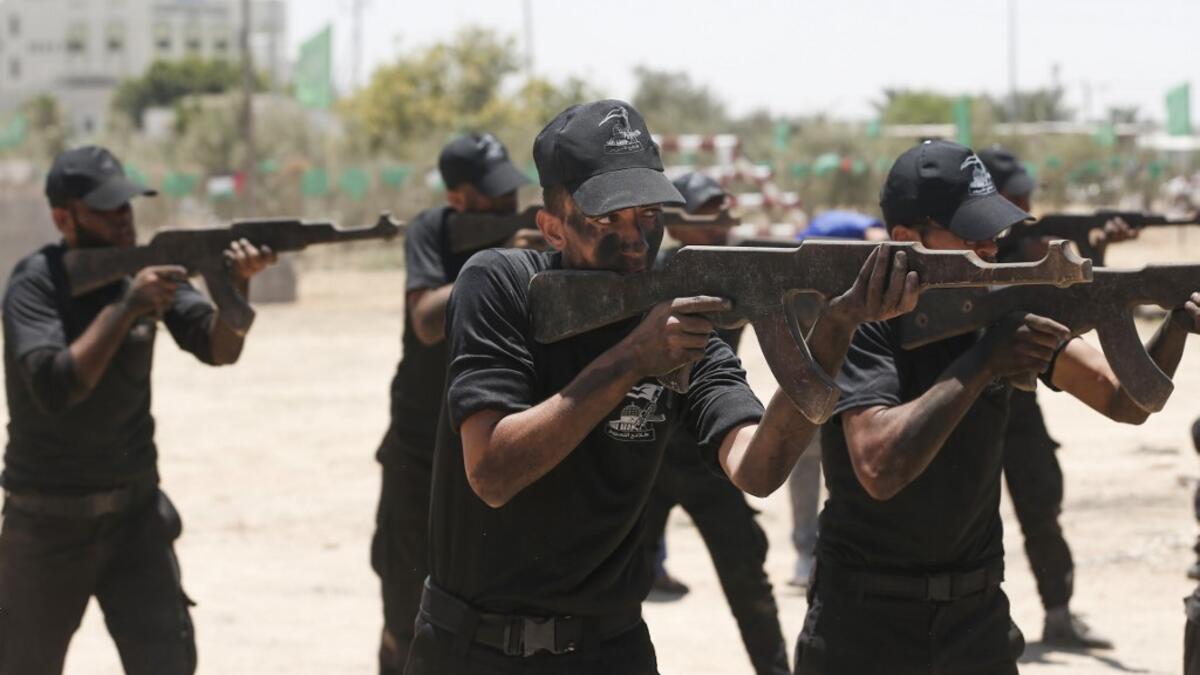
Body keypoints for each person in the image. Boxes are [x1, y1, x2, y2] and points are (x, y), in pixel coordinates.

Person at [403, 99, 917, 675]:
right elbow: (492, 472)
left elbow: (758, 468)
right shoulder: (500, 285)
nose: (634, 241)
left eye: (648, 216)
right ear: (551, 227)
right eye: (607, 220)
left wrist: (836, 330)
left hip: (609, 647)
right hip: (475, 648)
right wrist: (631, 360)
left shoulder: (680, 318)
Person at [794, 139, 1200, 675]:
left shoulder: (1002, 308)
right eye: (971, 234)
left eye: (993, 233)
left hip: (976, 617)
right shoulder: (856, 321)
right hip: (864, 620)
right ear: (905, 239)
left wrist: (1176, 324)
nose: (989, 248)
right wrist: (983, 362)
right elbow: (879, 467)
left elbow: (1127, 401)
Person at [0, 145, 275, 675]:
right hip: (46, 523)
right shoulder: (36, 284)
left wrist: (236, 292)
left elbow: (219, 349)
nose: (124, 219)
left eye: (126, 206)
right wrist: (126, 309)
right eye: (106, 209)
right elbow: (55, 386)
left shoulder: (147, 273)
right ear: (64, 218)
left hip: (135, 518)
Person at [371, 132, 533, 674]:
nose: (508, 203)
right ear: (457, 198)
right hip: (419, 453)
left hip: (490, 449)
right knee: (402, 614)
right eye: (491, 194)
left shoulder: (528, 229)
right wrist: (497, 264)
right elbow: (423, 319)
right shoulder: (433, 231)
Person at [981, 146, 1134, 648]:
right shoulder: (965, 250)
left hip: (1020, 399)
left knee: (1040, 503)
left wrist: (1096, 252)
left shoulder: (1030, 244)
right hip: (966, 397)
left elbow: (1072, 311)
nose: (1025, 198)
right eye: (1013, 191)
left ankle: (1059, 613)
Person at [641, 170, 790, 675]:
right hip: (646, 452)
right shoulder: (645, 276)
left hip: (715, 450)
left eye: (724, 211)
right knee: (608, 583)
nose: (721, 224)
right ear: (677, 225)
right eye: (708, 214)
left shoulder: (738, 271)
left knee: (748, 581)